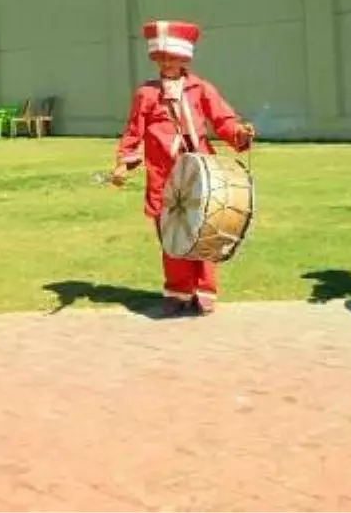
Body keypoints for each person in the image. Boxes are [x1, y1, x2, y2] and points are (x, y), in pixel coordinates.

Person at [109, 20, 255, 316]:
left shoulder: (201, 88)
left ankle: (204, 291)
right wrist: (125, 163)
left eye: (172, 57)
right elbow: (134, 132)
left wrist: (239, 132)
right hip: (164, 174)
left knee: (206, 228)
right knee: (173, 236)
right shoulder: (146, 94)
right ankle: (178, 292)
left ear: (184, 58)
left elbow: (223, 120)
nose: (167, 63)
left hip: (201, 173)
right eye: (161, 57)